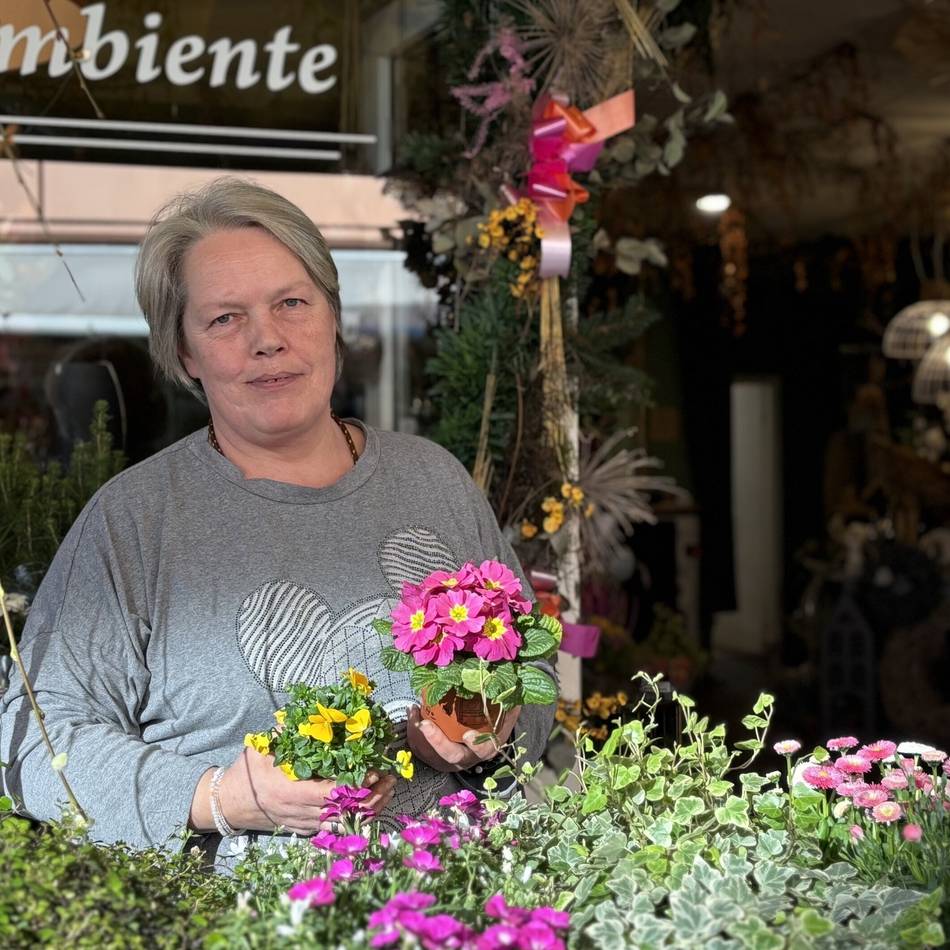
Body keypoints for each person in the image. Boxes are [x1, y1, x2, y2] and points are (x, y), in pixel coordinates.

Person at [0, 178, 555, 863]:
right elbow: (36, 744)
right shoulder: (134, 522)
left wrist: (484, 732)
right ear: (185, 355)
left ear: (332, 317)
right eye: (224, 319)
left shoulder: (431, 482)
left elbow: (533, 679)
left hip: (455, 907)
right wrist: (222, 797)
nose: (268, 340)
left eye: (292, 303)